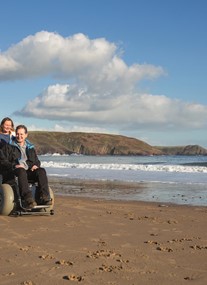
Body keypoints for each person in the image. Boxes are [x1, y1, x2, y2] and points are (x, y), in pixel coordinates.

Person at [0, 124, 52, 209]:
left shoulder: (30, 147)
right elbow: (3, 161)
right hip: (15, 171)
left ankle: (45, 197)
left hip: (28, 171)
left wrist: (36, 165)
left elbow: (37, 160)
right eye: (17, 134)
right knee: (21, 170)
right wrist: (14, 165)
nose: (19, 136)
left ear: (26, 135)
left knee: (41, 171)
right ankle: (27, 199)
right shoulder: (8, 147)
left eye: (21, 134)